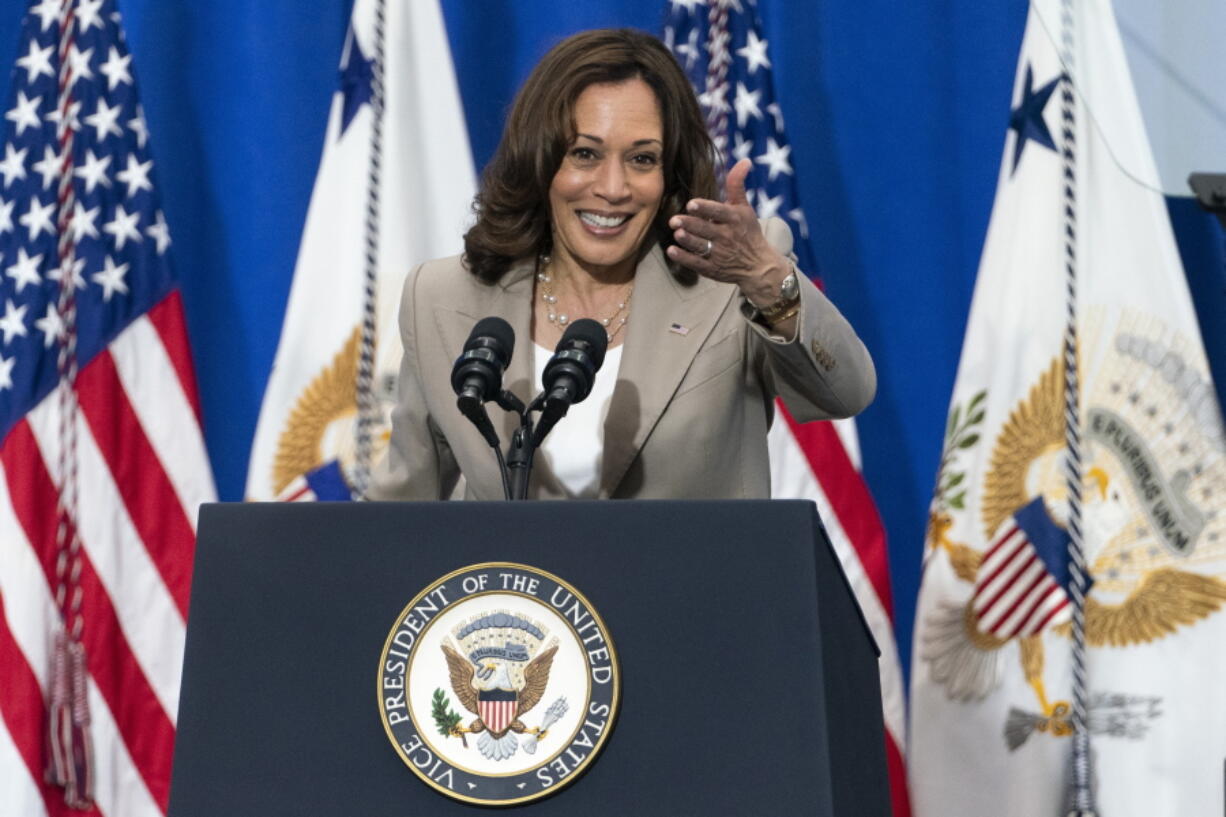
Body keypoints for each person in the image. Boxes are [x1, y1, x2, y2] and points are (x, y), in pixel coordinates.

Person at [369, 28, 874, 501]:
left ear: (669, 170)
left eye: (642, 159)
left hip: (700, 594)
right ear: (539, 160)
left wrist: (766, 280)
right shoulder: (442, 297)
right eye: (584, 154)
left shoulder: (728, 281)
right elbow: (402, 512)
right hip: (519, 596)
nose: (613, 189)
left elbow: (844, 393)